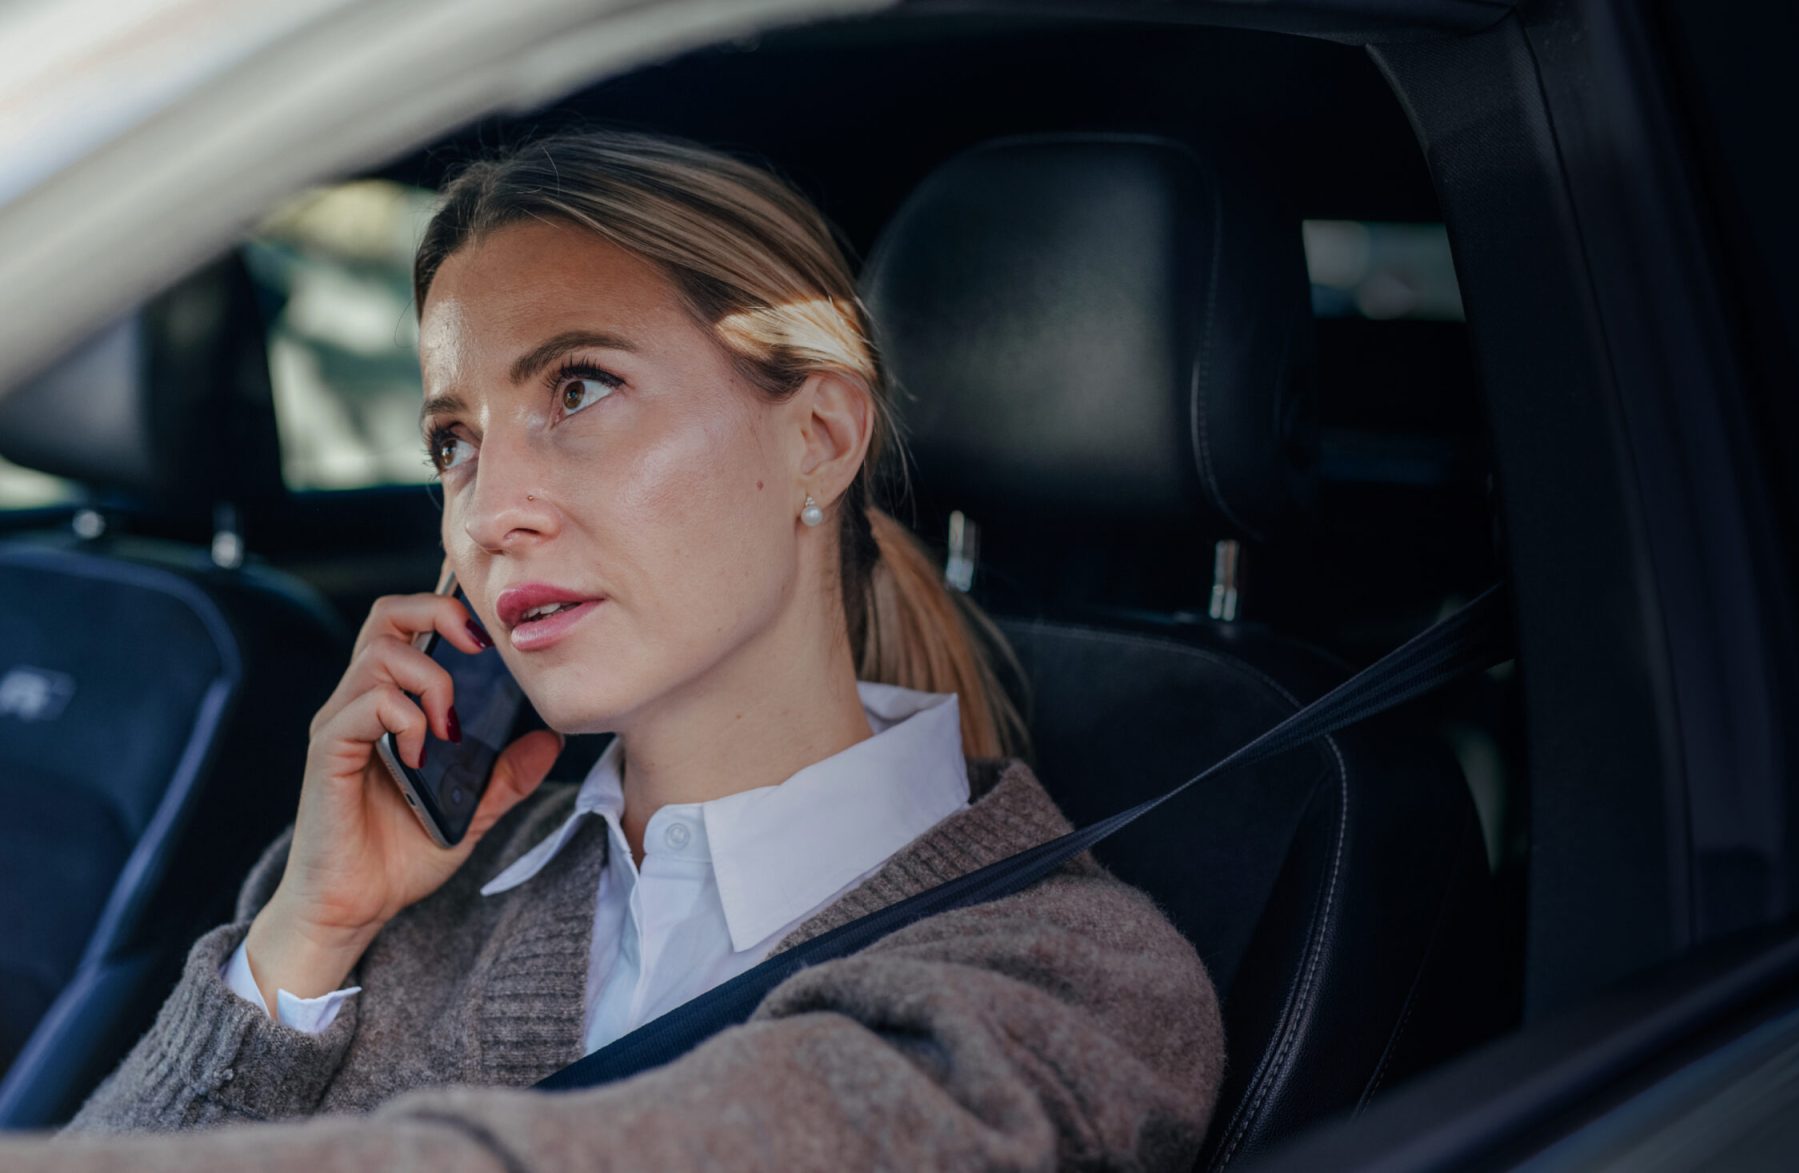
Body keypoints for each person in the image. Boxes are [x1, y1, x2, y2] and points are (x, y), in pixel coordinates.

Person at [13, 130, 1223, 1171]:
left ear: (817, 435)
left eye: (580, 389)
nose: (489, 514)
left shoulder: (1071, 979)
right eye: (454, 442)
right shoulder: (393, 891)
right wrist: (308, 931)